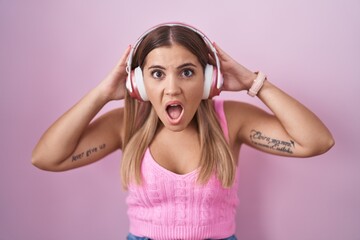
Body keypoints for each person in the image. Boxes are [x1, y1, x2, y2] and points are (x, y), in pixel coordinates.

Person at [32, 23, 334, 240]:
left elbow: (317, 141)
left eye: (187, 72)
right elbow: (46, 158)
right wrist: (101, 93)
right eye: (157, 74)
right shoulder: (125, 124)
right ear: (139, 84)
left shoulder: (231, 119)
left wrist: (253, 83)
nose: (172, 88)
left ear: (207, 81)